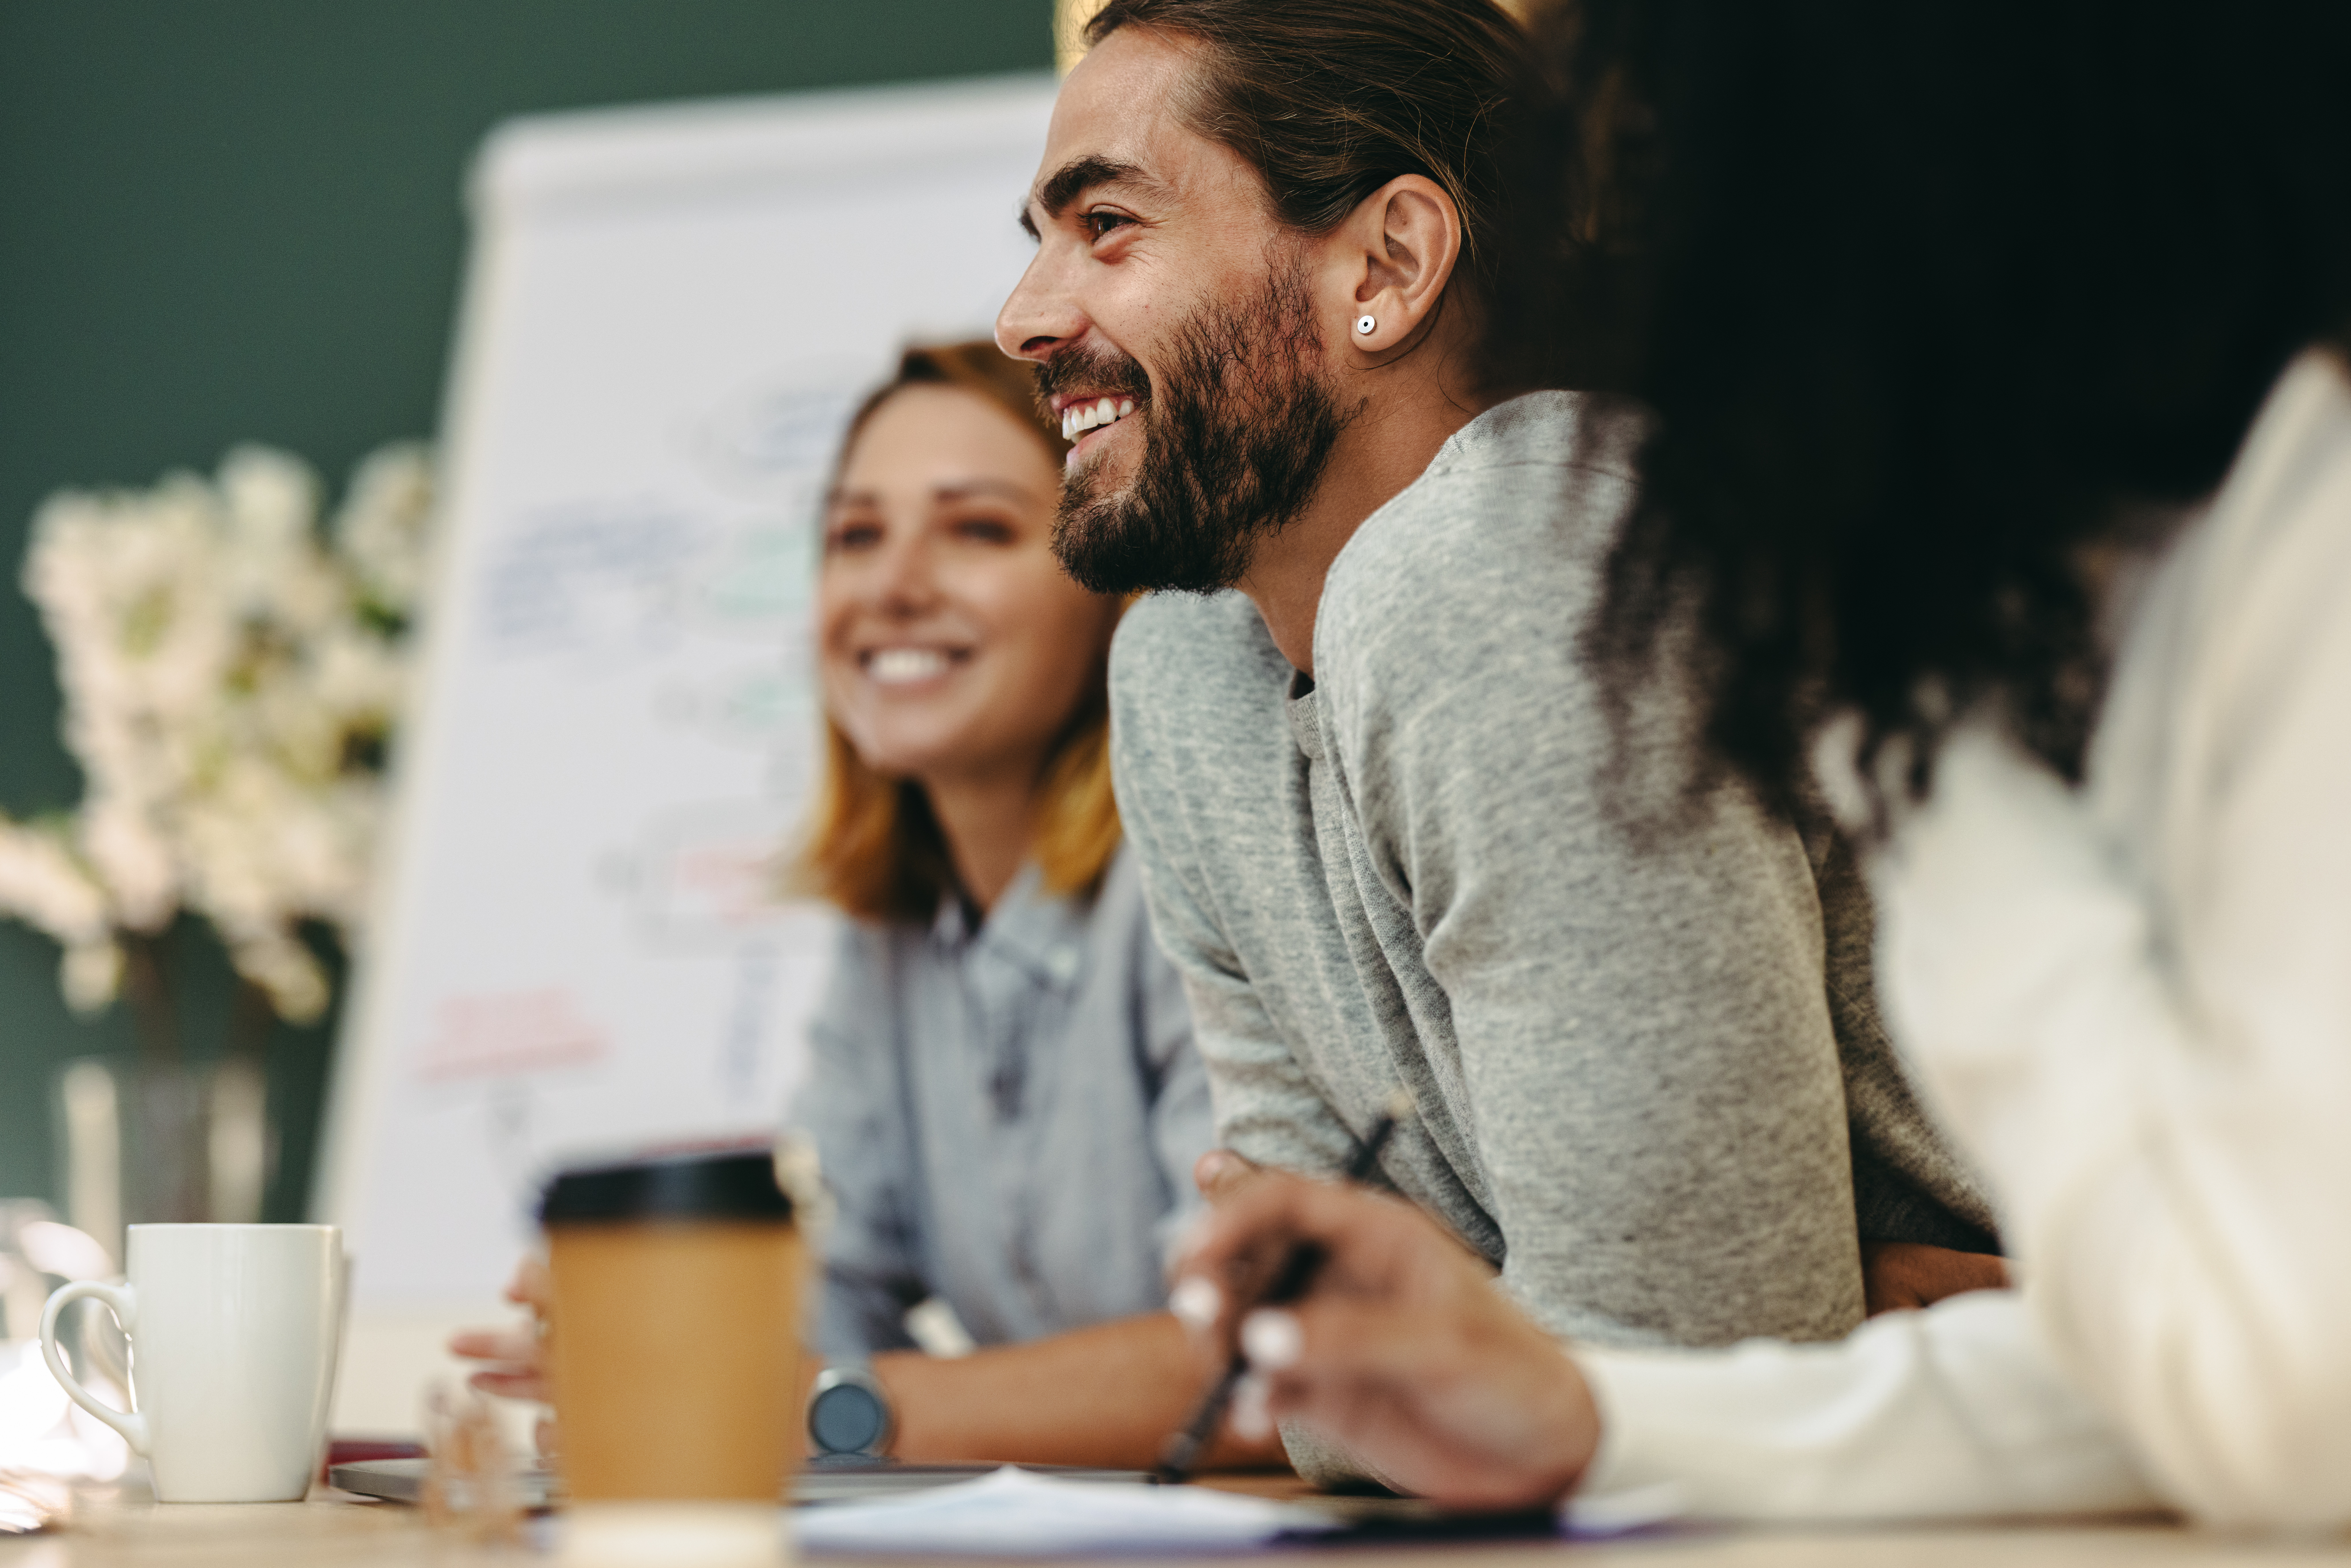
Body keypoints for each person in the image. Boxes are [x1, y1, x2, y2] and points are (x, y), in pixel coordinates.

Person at [1170, 0, 2351, 1530]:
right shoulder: (2130, 556)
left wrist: (1940, 760)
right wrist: (1592, 1412)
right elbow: (2205, 1356)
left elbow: (2285, 1396)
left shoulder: (2296, 515)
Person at [996, 0, 1996, 1485]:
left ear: (1386, 265)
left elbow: (1689, 1378)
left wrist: (1503, 1346)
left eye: (1109, 225)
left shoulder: (1522, 552)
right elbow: (1317, 1374)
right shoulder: (1185, 673)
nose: (1023, 314)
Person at [454, 342, 1284, 1472]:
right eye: (854, 535)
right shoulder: (896, 934)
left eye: (978, 529)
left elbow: (1267, 1357)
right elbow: (829, 1297)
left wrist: (827, 1406)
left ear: (1112, 587)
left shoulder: (1199, 877)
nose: (891, 586)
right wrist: (675, 1340)